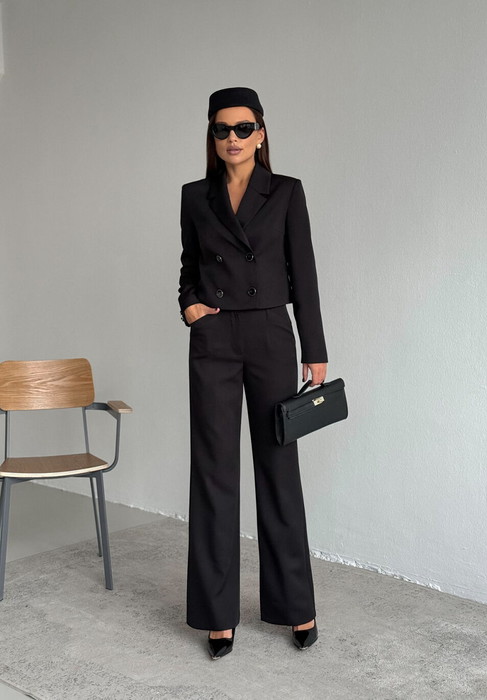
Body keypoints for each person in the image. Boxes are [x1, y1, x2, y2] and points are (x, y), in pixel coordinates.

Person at [178, 87, 328, 659]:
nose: (233, 138)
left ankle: (296, 605)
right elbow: (189, 265)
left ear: (261, 133)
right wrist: (190, 306)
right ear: (212, 136)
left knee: (278, 468)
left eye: (243, 128)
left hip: (270, 335)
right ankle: (217, 615)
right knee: (213, 472)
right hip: (215, 339)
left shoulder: (286, 191)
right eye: (222, 129)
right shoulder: (195, 196)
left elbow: (303, 272)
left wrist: (315, 348)